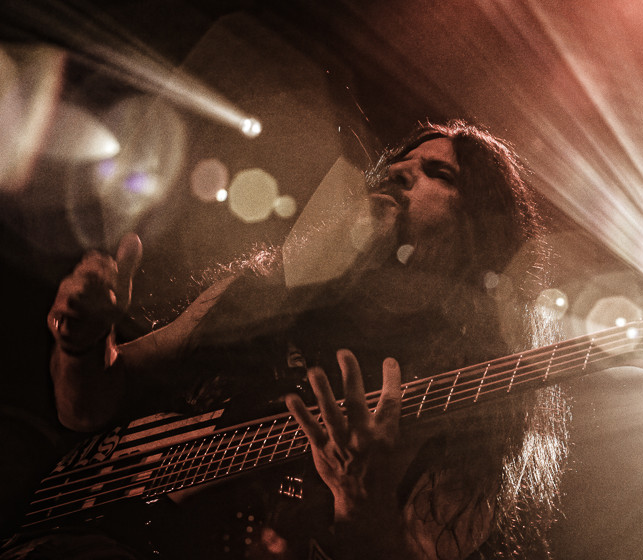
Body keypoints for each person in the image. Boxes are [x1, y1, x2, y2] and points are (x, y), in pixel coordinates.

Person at [41, 120, 569, 559]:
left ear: (481, 234)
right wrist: (82, 342)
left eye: (439, 173)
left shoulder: (478, 413)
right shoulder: (260, 293)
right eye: (399, 161)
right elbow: (84, 409)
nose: (398, 170)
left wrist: (361, 502)